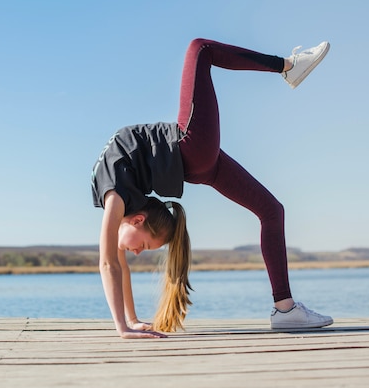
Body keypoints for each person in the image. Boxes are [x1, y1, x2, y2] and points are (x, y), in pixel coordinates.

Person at [91, 38, 333, 339]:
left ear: (139, 220)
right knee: (271, 210)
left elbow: (108, 263)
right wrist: (130, 322)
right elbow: (117, 265)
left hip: (189, 147)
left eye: (142, 246)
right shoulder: (125, 205)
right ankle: (286, 311)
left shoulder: (114, 196)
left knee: (200, 49)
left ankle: (289, 66)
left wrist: (123, 327)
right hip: (195, 162)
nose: (137, 253)